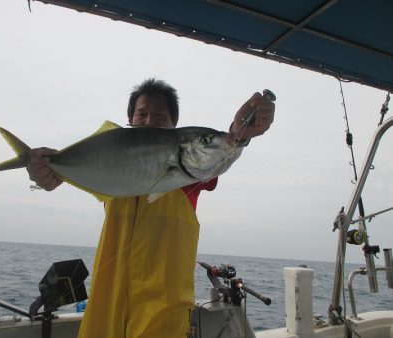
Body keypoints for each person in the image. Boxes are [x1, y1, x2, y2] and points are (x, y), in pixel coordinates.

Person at [27, 78, 275, 338]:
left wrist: (238, 135)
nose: (148, 121)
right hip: (106, 299)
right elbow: (79, 169)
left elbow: (219, 159)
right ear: (129, 121)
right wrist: (49, 172)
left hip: (163, 304)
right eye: (141, 115)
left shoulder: (189, 175)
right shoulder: (112, 163)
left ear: (173, 125)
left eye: (158, 115)